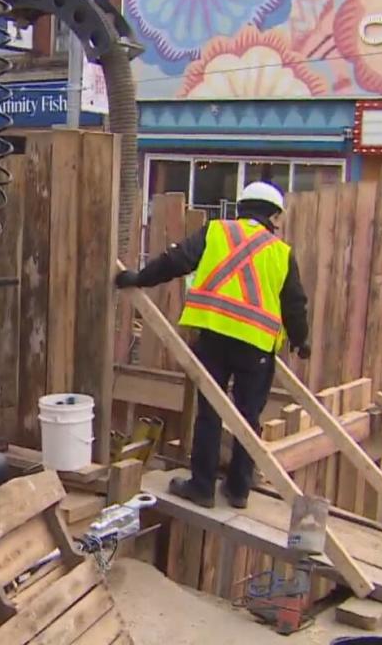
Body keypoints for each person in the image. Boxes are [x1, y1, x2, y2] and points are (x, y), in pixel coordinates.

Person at [115, 181, 309, 509]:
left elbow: (175, 261)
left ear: (241, 208)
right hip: (256, 347)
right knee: (248, 418)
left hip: (214, 337)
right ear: (274, 216)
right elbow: (294, 305)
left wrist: (138, 278)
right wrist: (302, 341)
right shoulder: (281, 253)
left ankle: (202, 486)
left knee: (210, 413)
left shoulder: (216, 232)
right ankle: (237, 491)